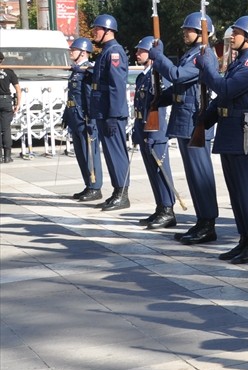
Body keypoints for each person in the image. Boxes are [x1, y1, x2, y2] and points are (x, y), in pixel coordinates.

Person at [198, 16, 248, 263]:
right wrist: (206, 118)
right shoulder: (239, 61)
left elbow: (227, 89)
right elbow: (223, 97)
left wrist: (209, 69)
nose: (231, 36)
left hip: (242, 130)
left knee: (246, 190)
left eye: (236, 33)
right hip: (229, 128)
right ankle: (244, 239)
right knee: (235, 190)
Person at [148, 12, 219, 243]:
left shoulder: (204, 55)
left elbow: (178, 76)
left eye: (188, 29)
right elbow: (180, 88)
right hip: (184, 120)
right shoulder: (191, 54)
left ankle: (208, 223)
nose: (184, 33)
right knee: (192, 176)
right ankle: (201, 222)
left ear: (201, 33)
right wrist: (162, 98)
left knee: (201, 176)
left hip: (195, 121)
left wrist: (158, 58)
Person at [131, 37, 176, 229]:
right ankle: (160, 207)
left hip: (156, 129)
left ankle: (168, 209)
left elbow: (161, 105)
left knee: (161, 169)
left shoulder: (159, 75)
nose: (138, 53)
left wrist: (153, 131)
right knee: (151, 170)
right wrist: (137, 128)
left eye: (142, 50)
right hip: (144, 126)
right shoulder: (143, 76)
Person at [87, 15, 131, 210]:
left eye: (97, 29)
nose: (94, 32)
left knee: (117, 153)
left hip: (111, 112)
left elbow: (117, 87)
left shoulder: (114, 52)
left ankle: (122, 194)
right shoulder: (105, 52)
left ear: (108, 30)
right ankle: (117, 191)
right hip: (104, 110)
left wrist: (113, 115)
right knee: (110, 154)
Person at [64, 38, 103, 198]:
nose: (71, 52)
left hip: (84, 117)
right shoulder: (76, 70)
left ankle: (95, 186)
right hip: (75, 116)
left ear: (83, 52)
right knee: (80, 153)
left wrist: (90, 117)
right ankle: (88, 184)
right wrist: (66, 115)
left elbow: (89, 96)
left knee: (90, 153)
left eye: (73, 49)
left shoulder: (88, 70)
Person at [0, 52, 21, 164]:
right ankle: (7, 156)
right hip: (6, 101)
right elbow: (18, 89)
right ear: (2, 60)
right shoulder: (9, 71)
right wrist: (17, 104)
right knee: (6, 128)